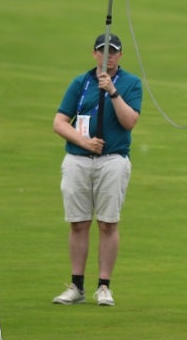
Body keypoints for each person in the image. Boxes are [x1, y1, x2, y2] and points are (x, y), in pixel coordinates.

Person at [52, 33, 142, 307]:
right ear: (94, 54)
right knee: (78, 222)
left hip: (113, 160)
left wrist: (112, 92)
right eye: (103, 51)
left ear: (120, 55)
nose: (108, 56)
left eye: (113, 51)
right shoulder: (80, 83)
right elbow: (59, 121)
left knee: (107, 223)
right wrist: (84, 142)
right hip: (78, 158)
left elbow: (129, 122)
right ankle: (76, 285)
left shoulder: (130, 83)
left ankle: (104, 285)